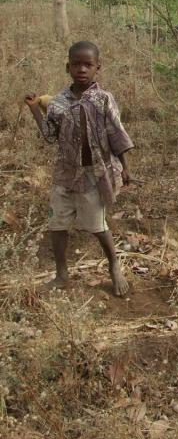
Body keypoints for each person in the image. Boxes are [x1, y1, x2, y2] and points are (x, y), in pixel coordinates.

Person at [24, 41, 133, 296]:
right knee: (57, 225)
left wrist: (126, 168)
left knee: (97, 226)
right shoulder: (58, 102)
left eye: (87, 64)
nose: (82, 69)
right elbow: (50, 136)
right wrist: (34, 110)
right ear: (68, 67)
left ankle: (114, 266)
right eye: (76, 64)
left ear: (97, 67)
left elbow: (117, 134)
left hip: (93, 176)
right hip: (65, 175)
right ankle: (62, 274)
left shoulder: (104, 99)